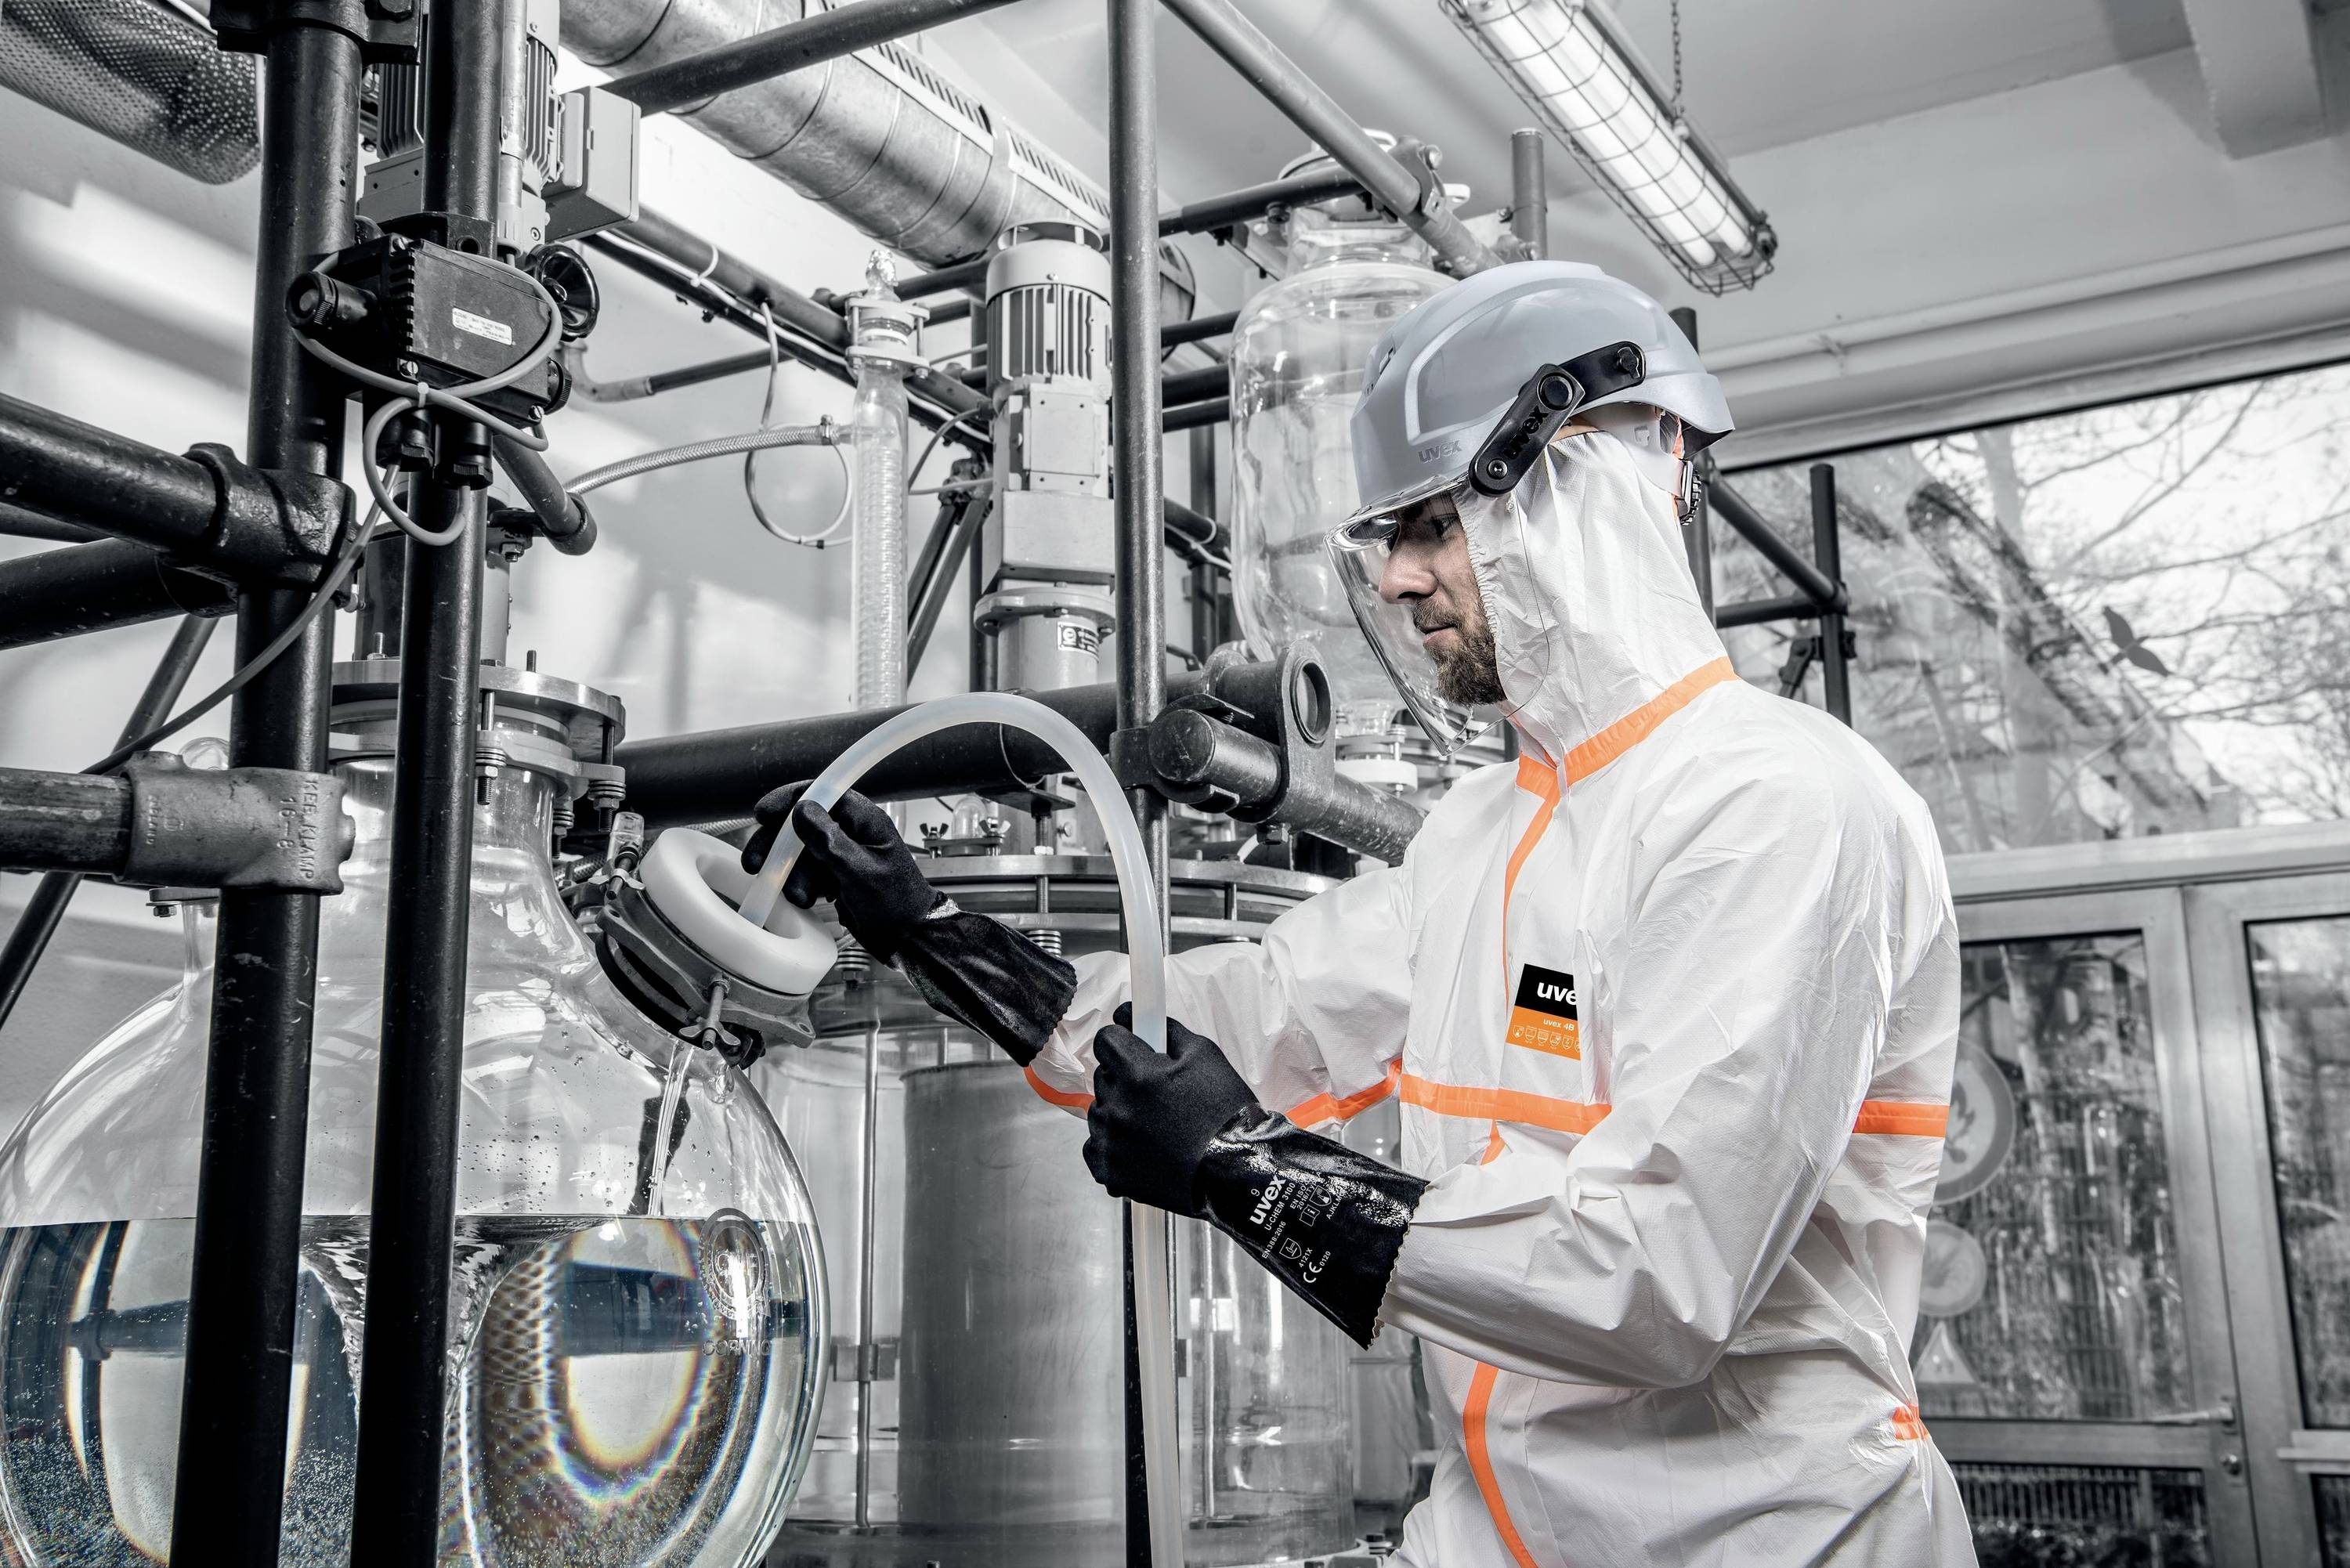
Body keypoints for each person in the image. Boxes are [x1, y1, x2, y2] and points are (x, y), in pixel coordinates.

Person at [747, 262, 1973, 1566]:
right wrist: (933, 931)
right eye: (1389, 536)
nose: (1392, 580)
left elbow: (1653, 1281)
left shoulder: (1778, 805)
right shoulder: (1485, 833)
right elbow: (1245, 1020)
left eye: (1435, 522)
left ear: (1595, 484)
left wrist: (1249, 1170)